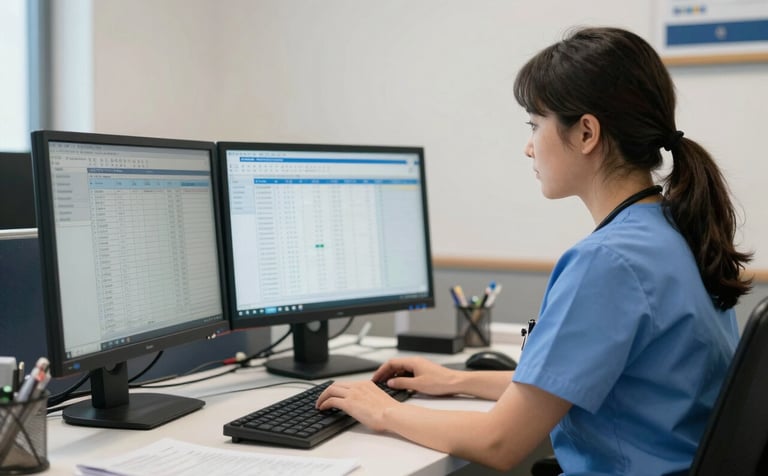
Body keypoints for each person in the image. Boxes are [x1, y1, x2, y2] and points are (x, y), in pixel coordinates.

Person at [316, 26, 753, 475]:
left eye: (534, 125)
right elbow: (578, 382)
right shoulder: (675, 231)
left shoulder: (607, 263)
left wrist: (381, 410)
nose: (528, 147)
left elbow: (500, 442)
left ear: (586, 133)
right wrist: (455, 380)